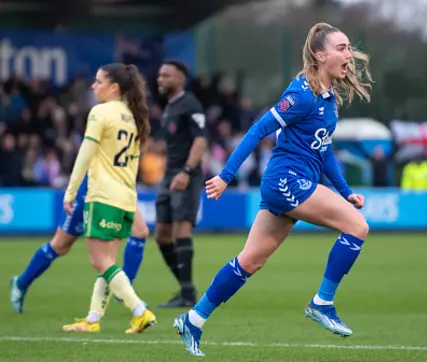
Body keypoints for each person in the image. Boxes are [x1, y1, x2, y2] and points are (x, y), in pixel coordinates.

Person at [173, 22, 373, 356]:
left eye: (349, 47)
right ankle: (322, 302)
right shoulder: (301, 96)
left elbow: (323, 151)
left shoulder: (327, 98)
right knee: (357, 226)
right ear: (320, 55)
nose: (348, 55)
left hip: (291, 183)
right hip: (288, 181)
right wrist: (225, 175)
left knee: (250, 260)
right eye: (341, 48)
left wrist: (344, 190)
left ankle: (194, 319)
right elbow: (256, 131)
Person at [60, 63, 156, 334]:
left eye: (98, 81)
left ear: (114, 87)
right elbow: (133, 166)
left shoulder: (100, 112)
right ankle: (93, 319)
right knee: (108, 261)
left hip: (102, 194)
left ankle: (140, 311)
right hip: (125, 196)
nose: (93, 86)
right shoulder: (133, 116)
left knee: (99, 260)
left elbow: (85, 153)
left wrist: (71, 191)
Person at [9, 173, 149, 315]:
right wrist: (71, 191)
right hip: (91, 190)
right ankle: (21, 283)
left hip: (118, 188)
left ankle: (125, 289)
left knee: (140, 231)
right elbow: (86, 157)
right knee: (60, 245)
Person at [155, 60, 207, 308]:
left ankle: (187, 294)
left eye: (166, 76)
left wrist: (187, 171)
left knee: (181, 231)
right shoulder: (169, 107)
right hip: (168, 175)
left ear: (180, 79)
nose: (160, 79)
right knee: (162, 236)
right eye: (160, 76)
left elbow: (200, 140)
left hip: (186, 174)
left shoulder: (190, 104)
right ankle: (187, 289)